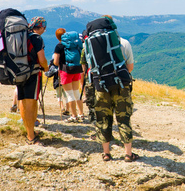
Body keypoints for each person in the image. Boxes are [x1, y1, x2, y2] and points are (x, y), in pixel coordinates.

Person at [82, 15, 138, 162]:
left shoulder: (87, 44)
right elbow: (130, 67)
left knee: (103, 119)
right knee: (123, 118)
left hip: (100, 86)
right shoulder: (123, 43)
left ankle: (106, 153)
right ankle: (128, 154)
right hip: (121, 86)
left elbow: (88, 67)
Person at [18, 16, 49, 145]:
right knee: (30, 102)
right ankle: (31, 136)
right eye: (44, 28)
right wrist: (46, 68)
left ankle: (29, 130)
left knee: (23, 100)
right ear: (41, 27)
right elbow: (41, 59)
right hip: (32, 74)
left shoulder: (23, 36)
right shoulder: (36, 38)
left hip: (19, 72)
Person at [52, 28, 84, 122]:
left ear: (57, 36)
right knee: (76, 92)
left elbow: (56, 61)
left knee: (69, 94)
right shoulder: (74, 43)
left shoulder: (59, 46)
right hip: (76, 69)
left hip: (65, 71)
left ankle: (73, 116)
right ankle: (81, 114)